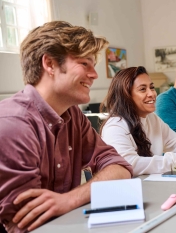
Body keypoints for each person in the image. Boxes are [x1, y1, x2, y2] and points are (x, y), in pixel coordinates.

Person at [0, 21, 133, 233]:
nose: (94, 75)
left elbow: (119, 167)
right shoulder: (13, 123)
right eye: (84, 63)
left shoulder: (73, 115)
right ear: (50, 64)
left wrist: (68, 200)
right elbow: (26, 223)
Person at [100, 66, 176, 176]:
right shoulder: (115, 126)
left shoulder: (152, 118)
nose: (152, 94)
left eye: (152, 87)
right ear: (126, 96)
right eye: (142, 89)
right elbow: (130, 164)